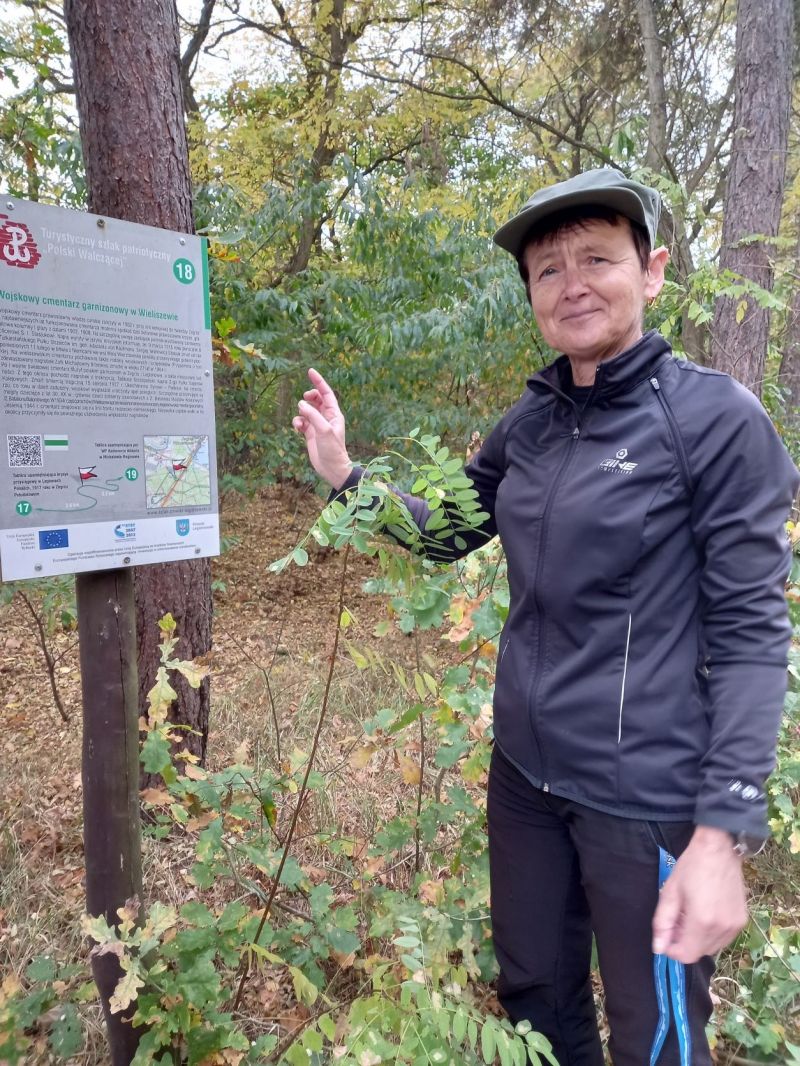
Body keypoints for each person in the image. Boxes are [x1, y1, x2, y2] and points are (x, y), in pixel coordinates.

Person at [292, 168, 800, 1065]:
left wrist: (723, 834)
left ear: (652, 272)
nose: (572, 285)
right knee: (536, 1000)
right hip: (525, 778)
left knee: (654, 1037)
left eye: (597, 259)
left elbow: (754, 634)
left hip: (644, 797)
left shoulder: (715, 421)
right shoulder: (530, 421)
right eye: (548, 270)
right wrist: (345, 474)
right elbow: (450, 529)